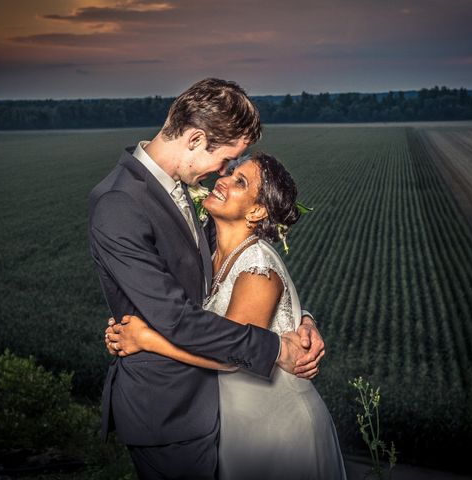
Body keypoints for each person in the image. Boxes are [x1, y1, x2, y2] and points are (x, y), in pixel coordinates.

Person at [88, 78, 325, 480]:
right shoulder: (119, 204)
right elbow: (178, 319)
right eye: (226, 160)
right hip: (169, 411)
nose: (221, 173)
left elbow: (240, 268)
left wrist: (300, 319)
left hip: (216, 405)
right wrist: (274, 348)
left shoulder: (179, 188)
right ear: (196, 139)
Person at [108, 152, 348, 480]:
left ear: (257, 211)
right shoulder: (207, 254)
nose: (222, 180)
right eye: (230, 172)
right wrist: (305, 317)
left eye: (240, 182)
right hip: (237, 422)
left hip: (277, 427)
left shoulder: (257, 269)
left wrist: (146, 340)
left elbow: (229, 354)